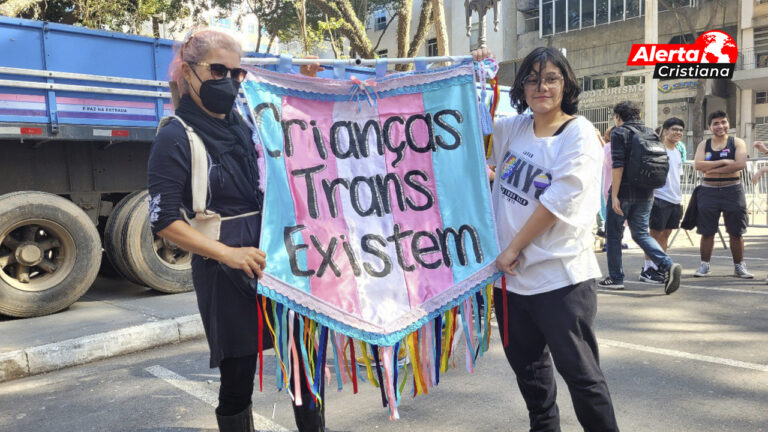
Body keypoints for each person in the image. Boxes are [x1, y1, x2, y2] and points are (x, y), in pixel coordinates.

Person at [147, 29, 326, 432]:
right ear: (189, 72)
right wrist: (229, 253)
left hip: (278, 261)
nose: (228, 82)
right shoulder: (176, 135)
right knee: (238, 376)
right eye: (217, 71)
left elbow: (298, 145)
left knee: (304, 364)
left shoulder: (245, 123)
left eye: (237, 73)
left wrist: (307, 89)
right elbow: (163, 221)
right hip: (224, 269)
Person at [473, 46, 619, 432]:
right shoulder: (516, 127)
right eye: (532, 79)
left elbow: (557, 203)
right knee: (533, 383)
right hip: (512, 283)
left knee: (583, 379)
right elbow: (470, 124)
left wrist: (513, 247)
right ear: (521, 87)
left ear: (566, 83)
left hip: (560, 280)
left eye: (551, 78)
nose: (542, 86)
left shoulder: (580, 134)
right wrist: (475, 74)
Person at [598, 101, 682, 293]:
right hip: (646, 192)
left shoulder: (620, 132)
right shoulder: (651, 133)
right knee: (641, 233)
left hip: (624, 191)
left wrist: (615, 195)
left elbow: (617, 165)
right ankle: (667, 264)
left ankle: (615, 277)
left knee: (613, 235)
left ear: (619, 117)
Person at [692, 111, 753, 279]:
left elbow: (740, 164)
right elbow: (698, 164)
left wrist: (711, 168)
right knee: (707, 231)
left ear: (729, 123)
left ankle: (739, 266)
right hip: (708, 190)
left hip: (732, 190)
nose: (720, 126)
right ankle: (704, 265)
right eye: (716, 123)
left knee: (736, 232)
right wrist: (725, 162)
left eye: (723, 122)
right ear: (709, 127)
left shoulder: (737, 142)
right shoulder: (704, 144)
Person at [639, 117, 687, 284]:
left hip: (675, 199)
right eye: (674, 129)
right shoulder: (657, 150)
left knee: (666, 234)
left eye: (680, 130)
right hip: (659, 198)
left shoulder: (678, 151)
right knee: (654, 234)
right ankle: (647, 269)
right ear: (665, 131)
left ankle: (659, 266)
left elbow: (676, 177)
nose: (677, 133)